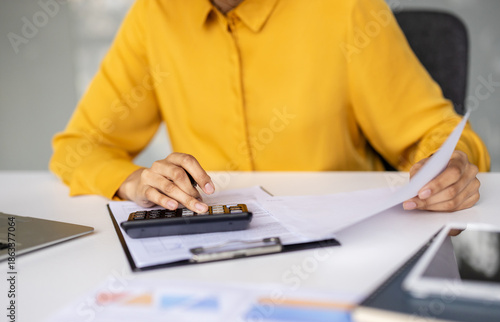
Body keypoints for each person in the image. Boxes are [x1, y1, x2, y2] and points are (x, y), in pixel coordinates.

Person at [50, 0, 490, 215]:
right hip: (214, 253)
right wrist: (134, 182)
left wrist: (451, 165)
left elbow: (439, 134)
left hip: (345, 240)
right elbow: (78, 148)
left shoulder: (345, 8)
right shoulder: (156, 15)